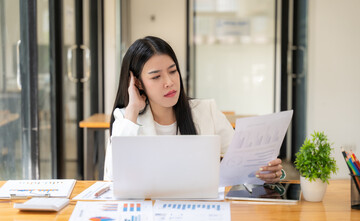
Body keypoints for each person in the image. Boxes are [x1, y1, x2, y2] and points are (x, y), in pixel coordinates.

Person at [104, 36, 283, 182]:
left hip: (201, 213)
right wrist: (133, 110)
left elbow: (247, 163)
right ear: (137, 83)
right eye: (156, 76)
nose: (169, 82)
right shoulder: (127, 119)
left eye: (173, 71)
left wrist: (268, 173)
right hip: (151, 216)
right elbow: (112, 177)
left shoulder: (206, 111)